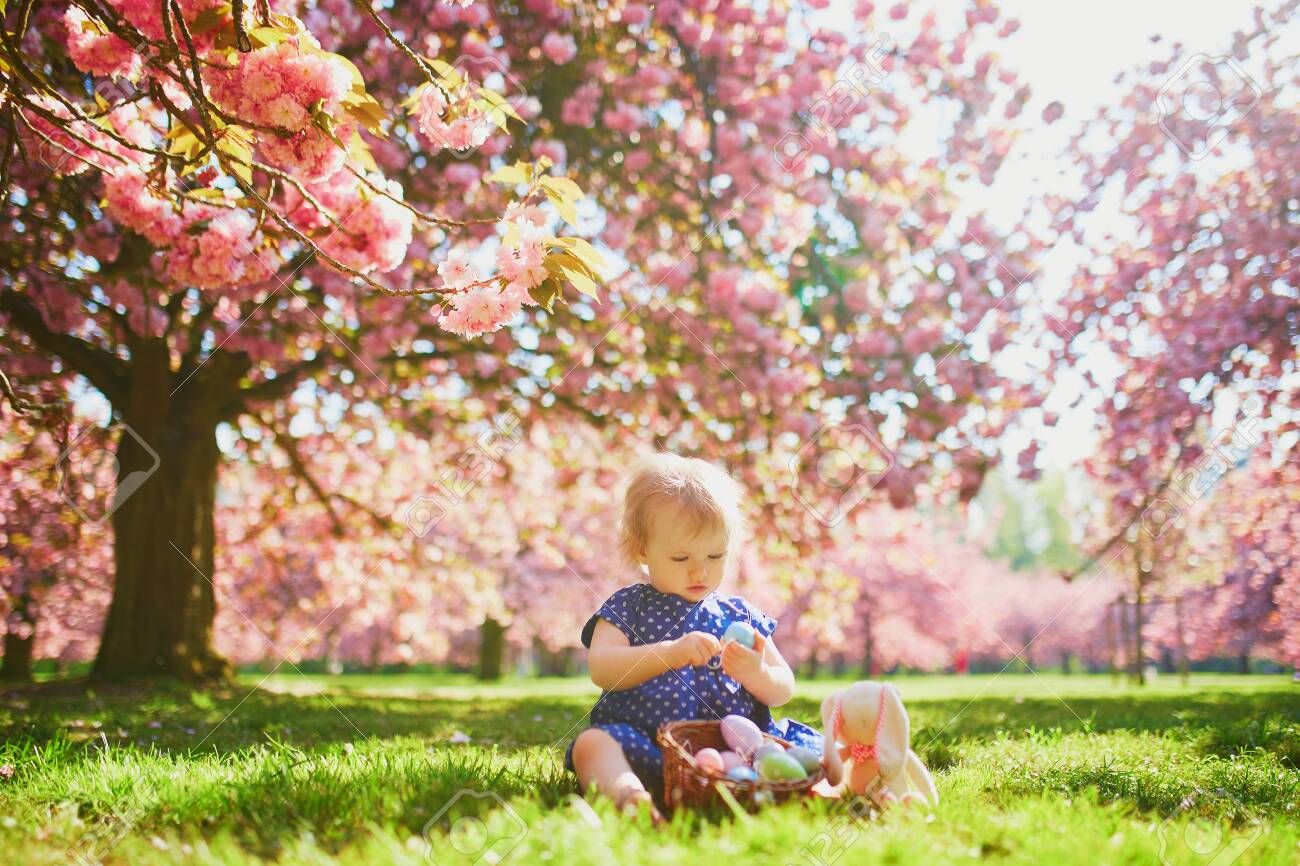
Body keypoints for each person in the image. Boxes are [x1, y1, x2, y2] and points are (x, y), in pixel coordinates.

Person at [564, 452, 822, 821]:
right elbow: (603, 669)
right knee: (592, 744)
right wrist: (670, 652)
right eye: (681, 558)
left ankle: (839, 789)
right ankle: (630, 797)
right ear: (642, 550)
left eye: (715, 555)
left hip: (741, 758)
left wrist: (757, 673)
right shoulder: (629, 607)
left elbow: (783, 687)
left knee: (808, 750)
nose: (699, 570)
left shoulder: (740, 614)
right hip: (651, 752)